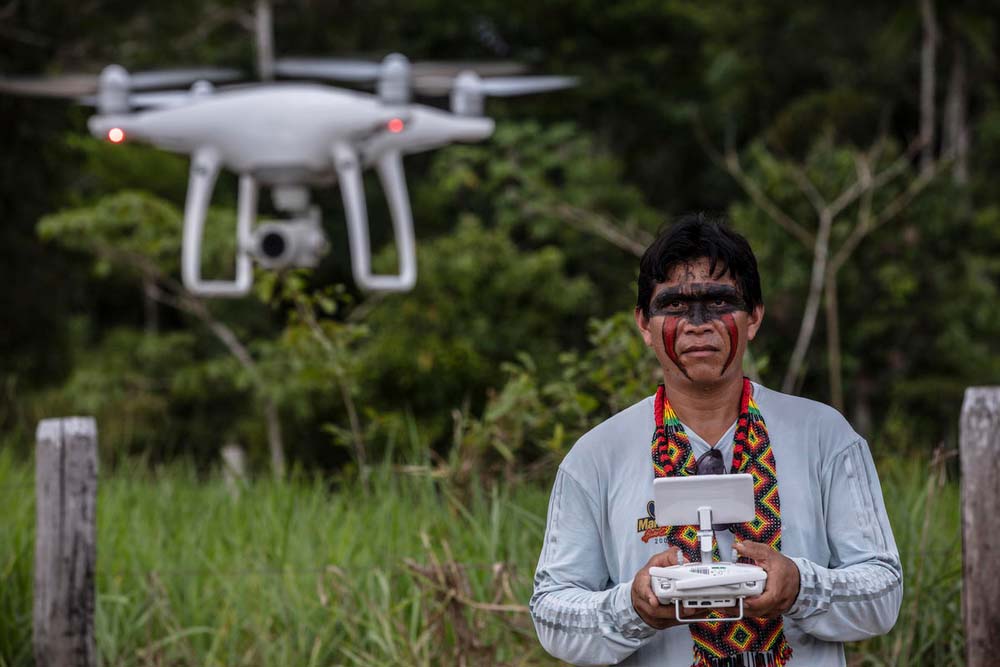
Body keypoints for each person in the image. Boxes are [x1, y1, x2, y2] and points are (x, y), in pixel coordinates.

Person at [529, 214, 902, 667]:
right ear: (644, 324)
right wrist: (632, 606)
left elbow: (883, 591)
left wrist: (801, 587)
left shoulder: (825, 437)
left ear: (754, 319)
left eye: (719, 302)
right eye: (675, 306)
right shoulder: (595, 458)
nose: (698, 324)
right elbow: (550, 611)